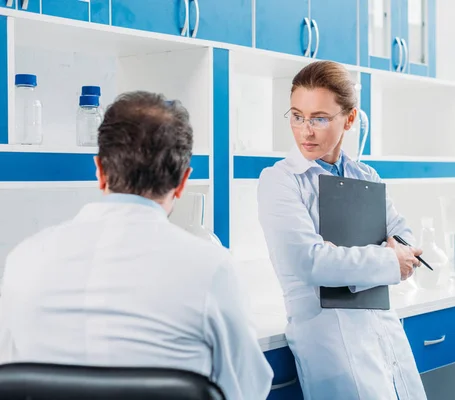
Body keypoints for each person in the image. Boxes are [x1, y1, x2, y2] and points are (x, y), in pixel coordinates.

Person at [0, 91, 273, 400]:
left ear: (100, 171)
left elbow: (13, 376)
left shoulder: (24, 259)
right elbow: (246, 389)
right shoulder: (212, 267)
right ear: (183, 182)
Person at [257, 61, 427, 399]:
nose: (306, 130)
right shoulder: (279, 181)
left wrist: (349, 260)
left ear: (349, 119)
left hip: (383, 332)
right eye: (297, 116)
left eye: (319, 118)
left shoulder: (366, 177)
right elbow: (310, 263)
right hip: (331, 344)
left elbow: (404, 239)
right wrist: (387, 261)